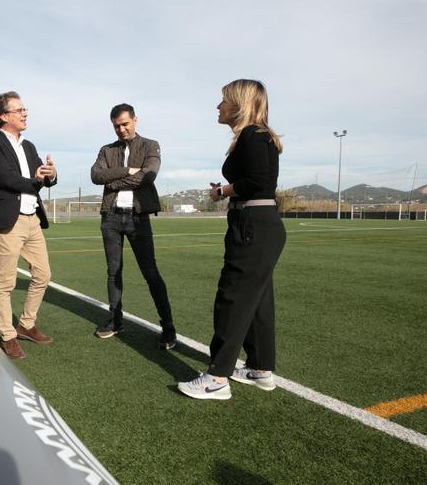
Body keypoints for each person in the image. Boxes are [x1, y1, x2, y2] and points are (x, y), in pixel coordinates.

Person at [178, 79, 286, 400]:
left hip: (253, 225)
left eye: (223, 100)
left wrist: (223, 191)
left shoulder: (253, 134)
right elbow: (256, 179)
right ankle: (260, 368)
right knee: (258, 300)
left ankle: (217, 377)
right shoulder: (257, 135)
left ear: (239, 104)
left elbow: (258, 180)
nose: (218, 106)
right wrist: (226, 191)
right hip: (257, 224)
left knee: (233, 298)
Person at [90, 104, 176, 349]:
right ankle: (115, 321)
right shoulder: (106, 150)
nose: (121, 129)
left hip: (138, 218)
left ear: (135, 120)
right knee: (113, 272)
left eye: (125, 124)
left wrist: (113, 182)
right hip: (111, 217)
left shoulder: (150, 145)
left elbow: (149, 175)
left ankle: (168, 327)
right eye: (116, 126)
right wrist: (127, 170)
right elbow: (96, 176)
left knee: (150, 272)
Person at [0, 91, 57, 359]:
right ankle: (8, 336)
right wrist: (36, 180)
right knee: (6, 283)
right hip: (7, 221)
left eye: (25, 109)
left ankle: (26, 325)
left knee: (43, 275)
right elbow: (6, 179)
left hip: (32, 219)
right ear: (4, 116)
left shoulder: (29, 146)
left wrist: (50, 174)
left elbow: (40, 178)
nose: (25, 113)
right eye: (19, 110)